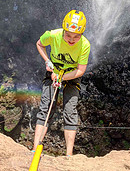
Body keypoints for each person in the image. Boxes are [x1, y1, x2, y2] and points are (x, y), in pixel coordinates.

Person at [32, 10, 91, 156]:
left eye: (76, 36)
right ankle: (35, 149)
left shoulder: (85, 45)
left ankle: (68, 155)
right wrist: (47, 61)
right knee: (46, 107)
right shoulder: (53, 35)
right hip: (54, 71)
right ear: (63, 30)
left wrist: (62, 78)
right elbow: (39, 44)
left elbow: (80, 70)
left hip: (72, 75)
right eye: (68, 35)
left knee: (70, 111)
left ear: (82, 34)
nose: (71, 39)